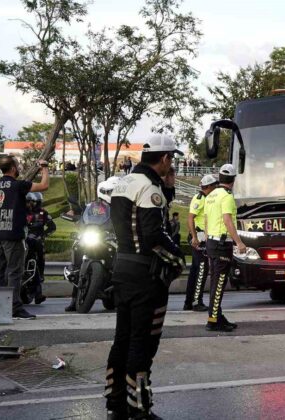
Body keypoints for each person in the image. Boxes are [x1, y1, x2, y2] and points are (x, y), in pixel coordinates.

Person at [104, 134, 185, 419]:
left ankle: (116, 405)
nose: (171, 164)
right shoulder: (150, 188)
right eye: (171, 159)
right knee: (143, 342)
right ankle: (139, 409)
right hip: (144, 276)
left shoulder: (122, 183)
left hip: (122, 270)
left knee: (122, 339)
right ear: (163, 159)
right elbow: (153, 236)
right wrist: (178, 258)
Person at [0, 156, 50, 320]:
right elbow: (44, 185)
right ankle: (14, 307)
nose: (19, 167)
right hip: (13, 235)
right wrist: (44, 168)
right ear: (13, 168)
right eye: (18, 165)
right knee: (15, 271)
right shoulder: (18, 185)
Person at [65, 177, 119, 312]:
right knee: (78, 251)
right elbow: (85, 217)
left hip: (109, 239)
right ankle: (73, 300)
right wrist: (77, 217)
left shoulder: (121, 208)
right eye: (112, 191)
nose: (114, 194)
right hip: (94, 236)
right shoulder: (92, 206)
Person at [203, 164, 246, 332]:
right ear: (233, 180)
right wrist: (239, 242)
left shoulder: (211, 195)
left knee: (215, 281)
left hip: (212, 243)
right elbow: (227, 220)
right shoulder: (227, 197)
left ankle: (216, 316)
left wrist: (208, 240)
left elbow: (206, 221)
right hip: (222, 244)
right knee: (219, 283)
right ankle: (213, 320)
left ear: (220, 178)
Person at [183, 174, 218, 311]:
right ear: (208, 187)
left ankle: (188, 302)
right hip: (200, 238)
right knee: (202, 270)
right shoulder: (200, 199)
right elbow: (190, 218)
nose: (216, 188)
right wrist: (194, 237)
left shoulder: (206, 199)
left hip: (201, 237)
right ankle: (197, 302)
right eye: (214, 185)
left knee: (194, 271)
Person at [25, 192, 56, 304]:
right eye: (30, 202)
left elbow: (52, 227)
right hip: (23, 241)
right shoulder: (22, 212)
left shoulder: (43, 213)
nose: (32, 204)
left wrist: (43, 236)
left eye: (34, 202)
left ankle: (38, 291)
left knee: (38, 262)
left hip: (37, 243)